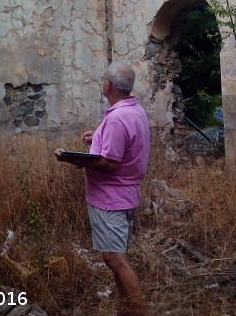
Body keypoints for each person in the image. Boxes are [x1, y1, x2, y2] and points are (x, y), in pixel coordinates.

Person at [54, 62, 150, 316]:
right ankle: (126, 311)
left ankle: (140, 311)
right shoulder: (134, 110)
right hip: (125, 195)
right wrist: (97, 138)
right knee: (116, 258)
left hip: (111, 198)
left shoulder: (118, 118)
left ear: (108, 84)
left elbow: (108, 164)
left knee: (115, 260)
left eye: (103, 79)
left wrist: (71, 158)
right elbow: (121, 145)